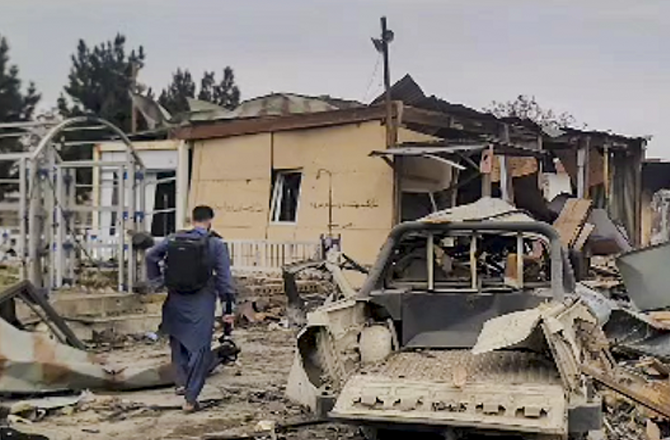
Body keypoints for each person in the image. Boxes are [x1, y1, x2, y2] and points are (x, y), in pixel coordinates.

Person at [146, 205, 235, 412]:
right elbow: (224, 279)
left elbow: (151, 256)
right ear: (210, 220)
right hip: (202, 300)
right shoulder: (216, 244)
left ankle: (181, 383)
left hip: (175, 298)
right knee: (200, 349)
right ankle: (190, 399)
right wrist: (228, 308)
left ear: (192, 219)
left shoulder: (173, 239)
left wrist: (158, 282)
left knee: (178, 342)